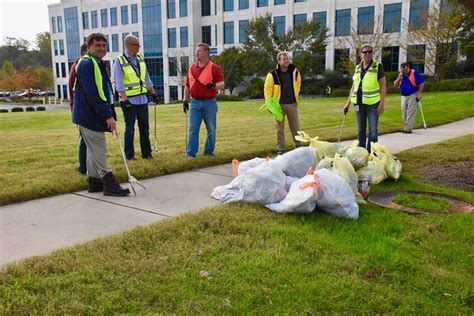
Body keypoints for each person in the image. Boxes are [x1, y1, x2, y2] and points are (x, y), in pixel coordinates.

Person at [72, 33, 130, 196]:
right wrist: (107, 116)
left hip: (90, 114)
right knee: (99, 149)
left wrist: (108, 112)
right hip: (89, 115)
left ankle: (94, 182)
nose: (102, 49)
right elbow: (93, 94)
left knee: (92, 150)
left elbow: (102, 91)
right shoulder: (87, 64)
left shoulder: (96, 63)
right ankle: (108, 182)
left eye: (104, 46)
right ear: (89, 47)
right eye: (97, 45)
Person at [113, 35, 157, 160]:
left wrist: (153, 93)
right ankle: (129, 155)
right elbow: (119, 85)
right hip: (128, 101)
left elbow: (146, 78)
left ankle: (147, 153)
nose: (139, 47)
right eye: (136, 45)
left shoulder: (140, 59)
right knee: (130, 129)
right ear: (129, 46)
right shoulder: (119, 62)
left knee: (144, 128)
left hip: (142, 100)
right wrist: (125, 100)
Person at [182, 43, 224, 157]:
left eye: (199, 51)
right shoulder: (191, 68)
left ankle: (208, 151)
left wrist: (214, 85)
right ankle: (191, 153)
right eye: (196, 51)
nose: (197, 53)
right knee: (193, 128)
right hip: (195, 102)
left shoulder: (214, 68)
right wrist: (185, 100)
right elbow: (187, 85)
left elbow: (222, 84)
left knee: (211, 128)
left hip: (209, 102)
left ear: (206, 53)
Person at [343, 44, 386, 153]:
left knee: (373, 130)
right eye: (365, 52)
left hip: (373, 103)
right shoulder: (357, 67)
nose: (367, 54)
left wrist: (381, 104)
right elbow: (353, 87)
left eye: (370, 52)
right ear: (360, 54)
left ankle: (371, 153)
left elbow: (383, 86)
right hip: (358, 103)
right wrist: (347, 104)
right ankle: (361, 153)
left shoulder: (377, 66)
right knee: (360, 130)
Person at [264, 51, 302, 155]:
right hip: (278, 106)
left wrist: (296, 97)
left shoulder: (294, 71)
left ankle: (298, 146)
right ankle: (281, 149)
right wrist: (269, 104)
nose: (286, 61)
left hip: (292, 104)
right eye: (284, 59)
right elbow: (267, 90)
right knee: (279, 129)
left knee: (295, 127)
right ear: (279, 61)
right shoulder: (272, 74)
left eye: (287, 59)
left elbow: (298, 84)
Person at [69, 43, 88, 174]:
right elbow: (73, 90)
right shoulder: (78, 66)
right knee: (85, 140)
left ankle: (88, 166)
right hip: (82, 110)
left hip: (88, 110)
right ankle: (83, 167)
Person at [394, 62, 425, 133]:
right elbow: (395, 85)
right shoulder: (401, 75)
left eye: (405, 70)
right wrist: (399, 78)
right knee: (403, 112)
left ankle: (408, 129)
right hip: (403, 96)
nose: (404, 71)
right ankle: (406, 126)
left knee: (411, 112)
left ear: (408, 68)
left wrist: (419, 92)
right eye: (403, 70)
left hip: (413, 95)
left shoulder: (414, 73)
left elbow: (421, 83)